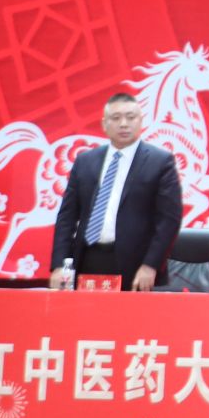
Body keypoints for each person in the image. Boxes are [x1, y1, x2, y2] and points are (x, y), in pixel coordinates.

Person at [50, 92, 183, 292]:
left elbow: (169, 220)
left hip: (136, 266)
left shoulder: (160, 162)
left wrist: (150, 265)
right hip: (87, 258)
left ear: (140, 121)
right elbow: (66, 217)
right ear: (104, 124)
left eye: (130, 117)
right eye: (116, 118)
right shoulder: (85, 161)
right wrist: (59, 264)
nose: (123, 124)